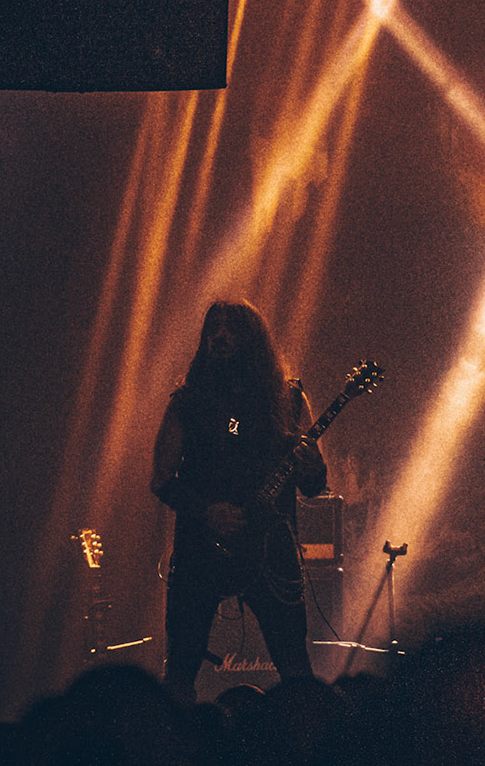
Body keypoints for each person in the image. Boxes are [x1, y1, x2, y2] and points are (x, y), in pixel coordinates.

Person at [151, 301, 327, 702]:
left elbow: (312, 486)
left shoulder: (289, 399)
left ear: (254, 340)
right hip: (201, 546)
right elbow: (160, 478)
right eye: (213, 328)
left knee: (295, 666)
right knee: (180, 669)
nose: (220, 336)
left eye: (231, 328)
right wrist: (206, 512)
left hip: (270, 547)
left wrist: (314, 465)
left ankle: (306, 730)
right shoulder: (187, 402)